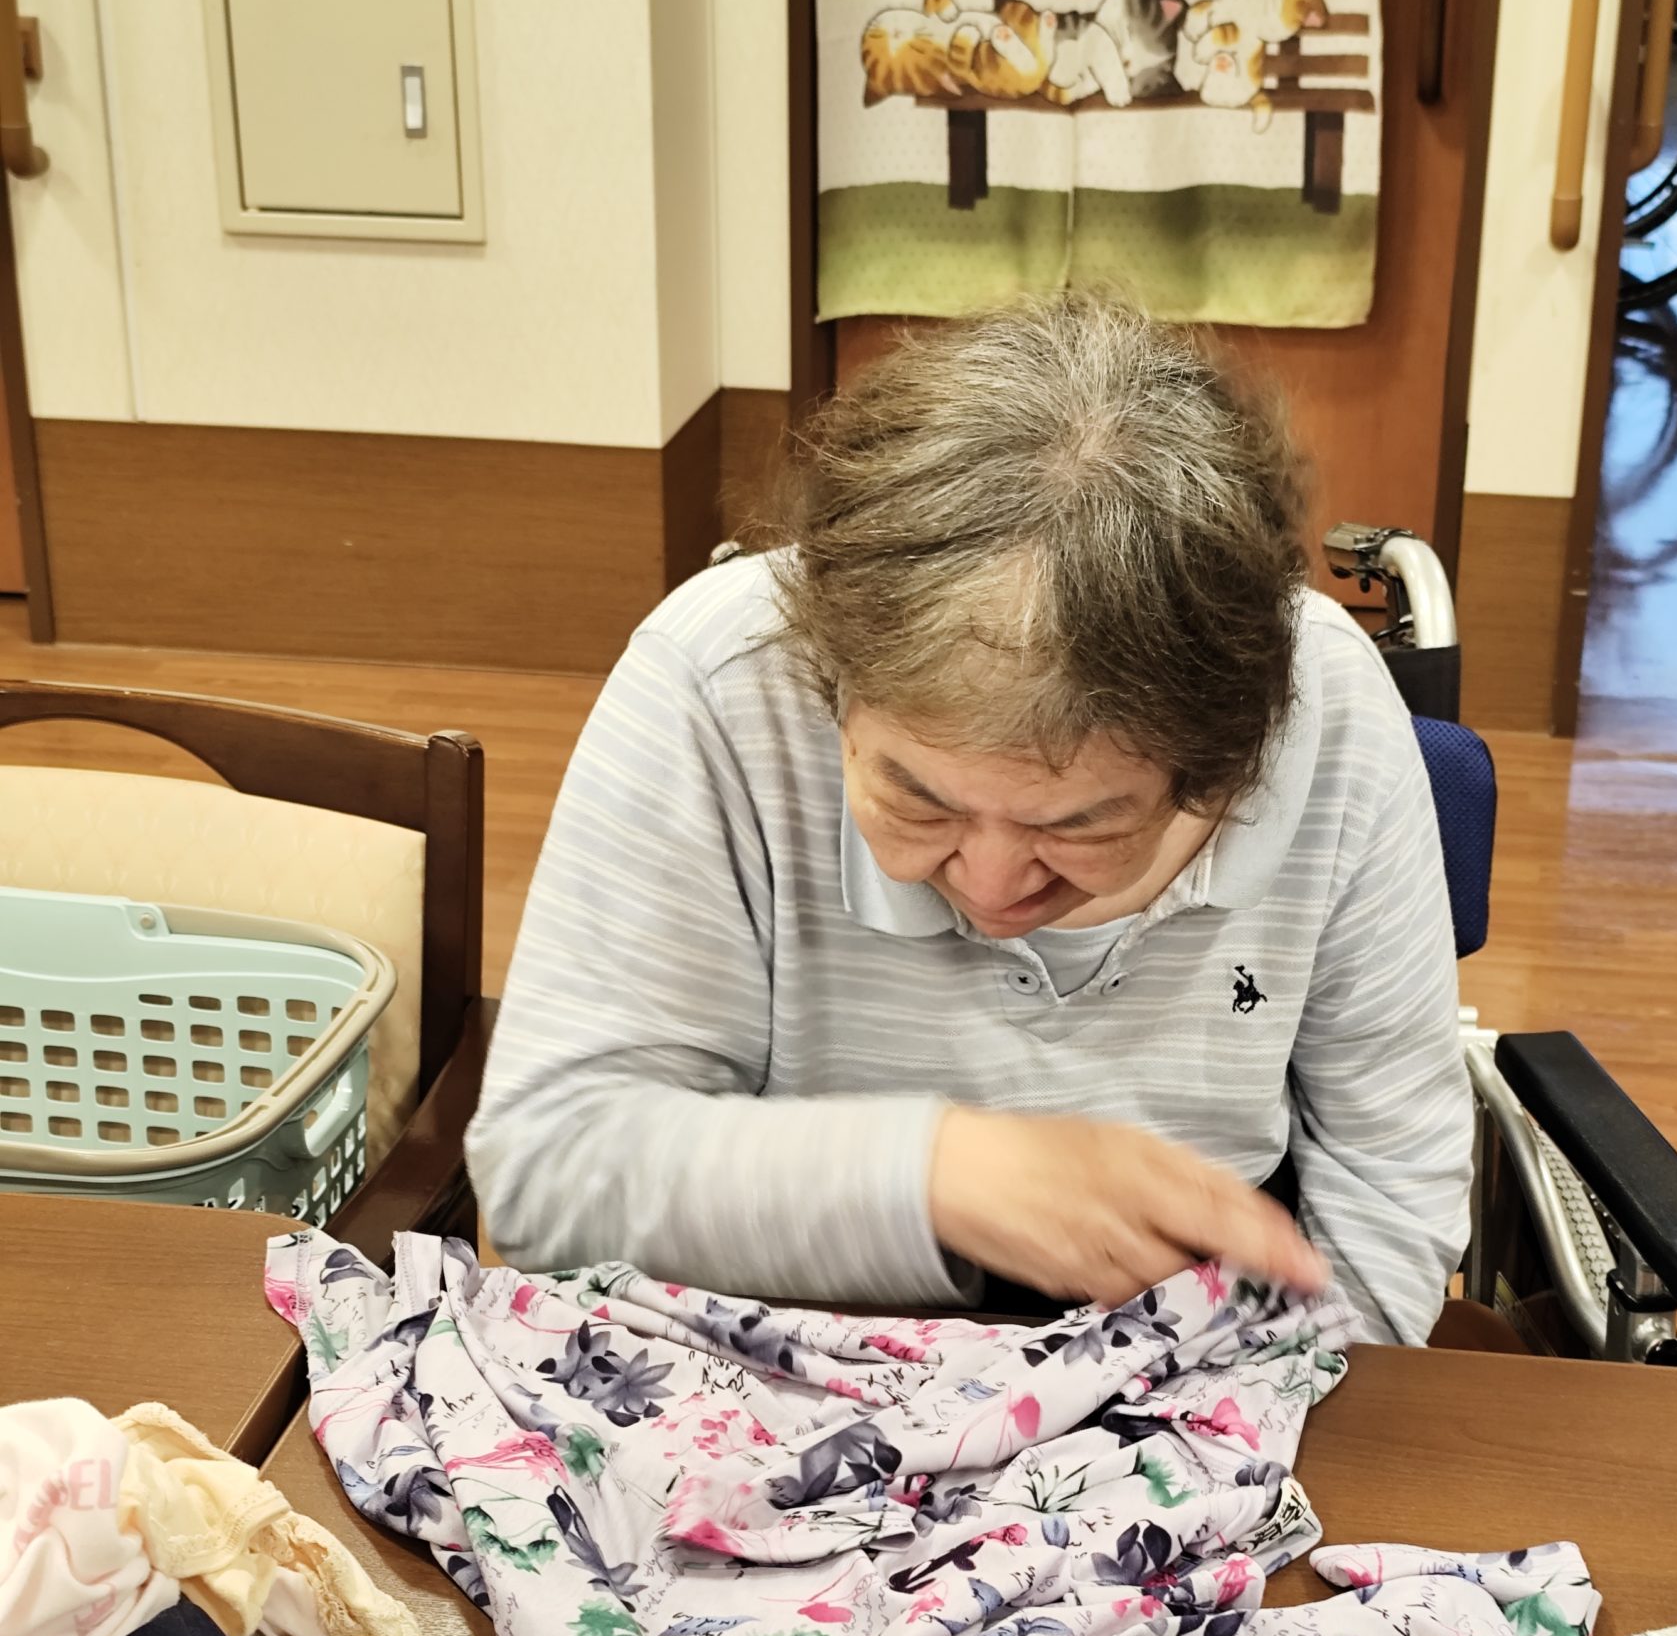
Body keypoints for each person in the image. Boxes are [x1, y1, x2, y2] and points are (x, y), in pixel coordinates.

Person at [468, 296, 1472, 1342]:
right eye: (917, 797)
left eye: (1081, 826)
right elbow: (549, 1168)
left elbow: (1392, 1183)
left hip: (1202, 1359)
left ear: (1224, 775)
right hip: (783, 1343)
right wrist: (935, 1176)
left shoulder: (1326, 710)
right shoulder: (723, 680)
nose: (991, 889)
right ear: (833, 691)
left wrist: (1294, 1399)